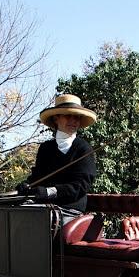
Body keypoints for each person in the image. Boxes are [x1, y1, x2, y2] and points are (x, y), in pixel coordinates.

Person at [17, 94, 97, 222]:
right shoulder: (46, 148)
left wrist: (49, 192)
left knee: (37, 221)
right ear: (56, 119)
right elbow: (38, 177)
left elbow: (81, 185)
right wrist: (27, 185)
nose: (73, 120)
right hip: (44, 205)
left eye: (76, 117)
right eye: (67, 116)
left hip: (70, 209)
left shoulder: (83, 148)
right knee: (15, 213)